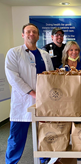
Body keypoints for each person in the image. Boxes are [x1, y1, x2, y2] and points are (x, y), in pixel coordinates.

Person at [5, 23, 53, 164]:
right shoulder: (14, 53)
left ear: (38, 36)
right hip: (23, 102)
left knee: (44, 134)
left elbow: (50, 76)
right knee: (16, 137)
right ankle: (11, 162)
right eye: (28, 31)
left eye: (34, 32)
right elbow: (13, 78)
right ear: (23, 34)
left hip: (43, 102)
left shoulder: (44, 55)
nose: (31, 34)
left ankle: (45, 160)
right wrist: (32, 93)